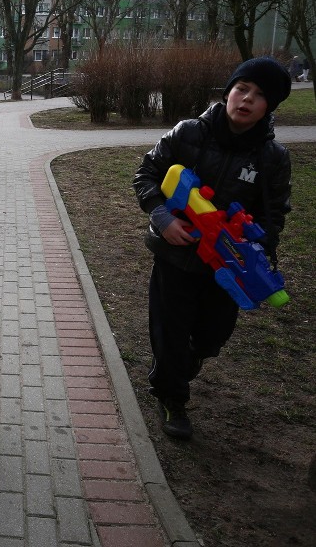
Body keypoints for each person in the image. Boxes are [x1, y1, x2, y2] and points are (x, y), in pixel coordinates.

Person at [132, 57, 292, 439]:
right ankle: (172, 398)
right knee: (171, 331)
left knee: (212, 335)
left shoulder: (273, 159)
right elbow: (146, 175)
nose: (247, 99)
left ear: (269, 107)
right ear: (228, 92)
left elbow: (274, 215)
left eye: (259, 96)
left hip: (228, 264)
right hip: (176, 256)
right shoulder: (189, 132)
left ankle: (185, 363)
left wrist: (259, 247)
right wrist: (163, 218)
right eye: (242, 89)